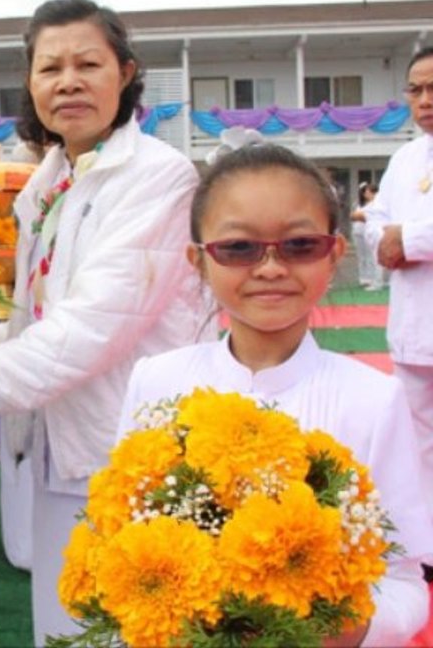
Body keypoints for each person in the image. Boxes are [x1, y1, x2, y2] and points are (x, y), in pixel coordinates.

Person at [0, 0, 207, 644]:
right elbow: (34, 321)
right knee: (64, 621)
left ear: (127, 73)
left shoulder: (158, 176)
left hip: (130, 444)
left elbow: (92, 327)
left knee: (129, 624)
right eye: (49, 68)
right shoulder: (45, 182)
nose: (69, 82)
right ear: (30, 83)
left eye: (89, 64)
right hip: (58, 439)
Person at [118, 142, 433, 647]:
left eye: (299, 245)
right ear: (197, 260)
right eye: (239, 248)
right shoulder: (155, 381)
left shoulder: (375, 399)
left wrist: (343, 631)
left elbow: (404, 582)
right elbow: (123, 542)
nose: (270, 267)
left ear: (334, 255)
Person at [365, 45, 433, 523]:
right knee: (415, 444)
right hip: (412, 329)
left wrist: (405, 239)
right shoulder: (404, 158)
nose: (425, 99)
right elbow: (375, 220)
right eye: (416, 89)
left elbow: (398, 231)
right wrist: (384, 241)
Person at [350, 181, 384, 290]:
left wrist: (359, 216)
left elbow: (355, 215)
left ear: (373, 193)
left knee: (376, 258)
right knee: (373, 258)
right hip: (370, 233)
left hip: (377, 233)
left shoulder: (375, 204)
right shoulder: (370, 204)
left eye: (368, 192)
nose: (365, 194)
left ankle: (378, 282)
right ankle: (375, 280)